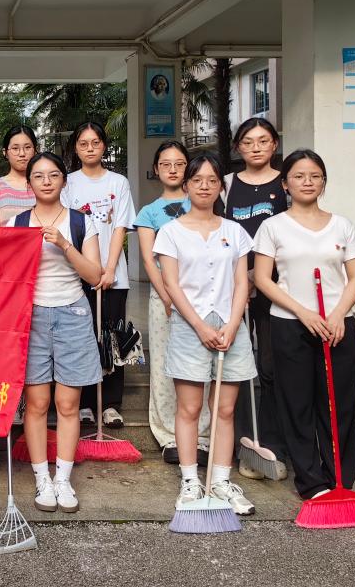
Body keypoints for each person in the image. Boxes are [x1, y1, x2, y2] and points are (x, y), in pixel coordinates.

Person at [253, 150, 355, 500]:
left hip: (338, 327)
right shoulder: (273, 227)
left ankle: (340, 480)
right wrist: (303, 312)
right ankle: (312, 482)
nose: (307, 182)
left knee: (339, 404)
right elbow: (263, 279)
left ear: (323, 182)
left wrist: (338, 314)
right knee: (297, 404)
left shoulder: (342, 225)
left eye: (315, 176)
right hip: (290, 325)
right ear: (285, 184)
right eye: (299, 176)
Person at [152, 153, 257, 516]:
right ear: (186, 186)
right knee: (190, 408)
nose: (205, 186)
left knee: (224, 409)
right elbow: (171, 284)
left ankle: (221, 481)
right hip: (189, 327)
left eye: (213, 181)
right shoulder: (171, 232)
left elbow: (243, 283)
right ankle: (190, 481)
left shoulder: (235, 231)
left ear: (220, 187)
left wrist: (232, 324)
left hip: (230, 326)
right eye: (197, 180)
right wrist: (199, 325)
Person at [6, 151, 102, 514]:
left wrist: (63, 244)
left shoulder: (81, 222)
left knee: (68, 404)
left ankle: (63, 478)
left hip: (73, 313)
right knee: (36, 403)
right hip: (30, 318)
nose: (46, 181)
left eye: (53, 175)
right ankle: (41, 478)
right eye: (38, 176)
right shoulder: (15, 224)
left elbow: (94, 275)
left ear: (64, 180)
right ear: (28, 183)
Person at [219, 117, 288, 480]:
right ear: (238, 147)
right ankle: (245, 445)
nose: (256, 147)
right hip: (235, 291)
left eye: (263, 140)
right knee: (239, 368)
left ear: (274, 144)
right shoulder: (228, 184)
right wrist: (240, 280)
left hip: (279, 289)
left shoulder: (286, 182)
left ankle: (273, 444)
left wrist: (259, 277)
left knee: (272, 366)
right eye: (248, 142)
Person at [133, 140, 211, 465]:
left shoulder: (203, 202)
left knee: (202, 365)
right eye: (166, 164)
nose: (173, 169)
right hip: (163, 296)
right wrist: (166, 295)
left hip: (202, 296)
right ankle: (168, 436)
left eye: (179, 163)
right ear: (156, 169)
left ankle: (202, 436)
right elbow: (149, 260)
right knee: (165, 364)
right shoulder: (148, 212)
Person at [59, 121, 136, 429]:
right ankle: (86, 403)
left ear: (104, 145)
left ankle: (111, 404)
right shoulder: (68, 183)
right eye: (83, 143)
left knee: (113, 337)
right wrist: (88, 269)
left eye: (95, 143)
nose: (90, 148)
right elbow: (67, 226)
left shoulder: (119, 182)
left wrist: (110, 268)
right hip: (78, 273)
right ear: (76, 148)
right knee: (83, 337)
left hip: (114, 276)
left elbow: (120, 227)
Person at [0, 125, 38, 227]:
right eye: (15, 148)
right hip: (4, 238)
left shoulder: (45, 183)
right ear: (5, 153)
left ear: (35, 150)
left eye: (27, 147)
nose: (22, 153)